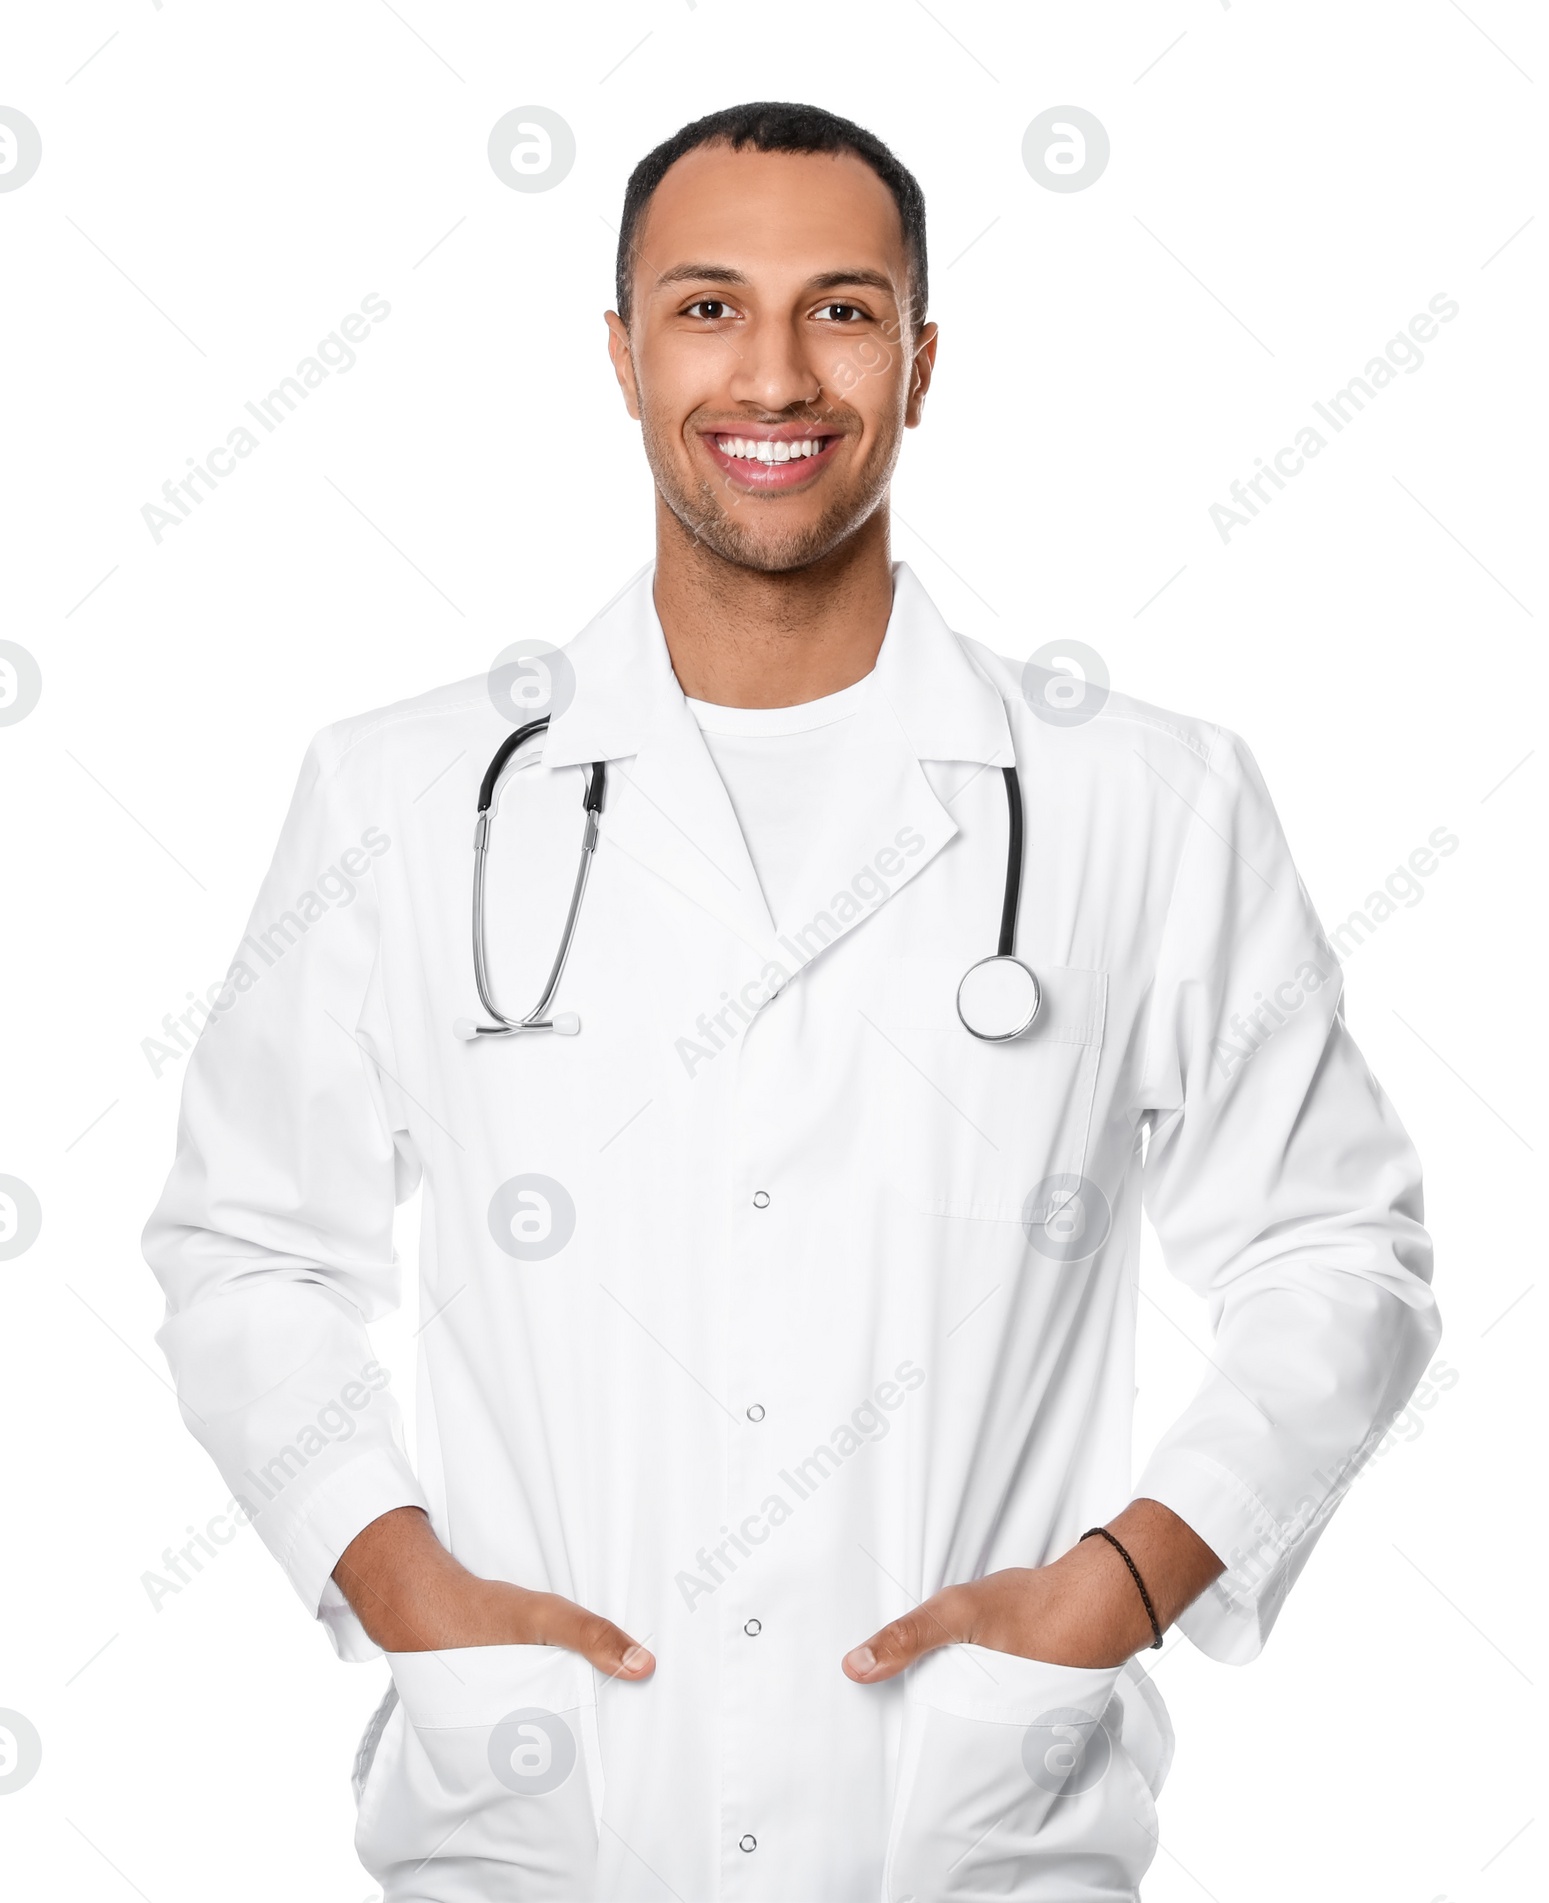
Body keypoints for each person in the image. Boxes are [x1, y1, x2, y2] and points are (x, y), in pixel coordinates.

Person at [143, 100, 1441, 1902]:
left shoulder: (1144, 801)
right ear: (618, 356)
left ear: (921, 363)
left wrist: (1124, 1584)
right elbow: (246, 1250)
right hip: (534, 1828)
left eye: (840, 310)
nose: (775, 373)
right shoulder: (405, 795)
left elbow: (1337, 1254)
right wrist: (395, 1577)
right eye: (705, 307)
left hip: (979, 1834)